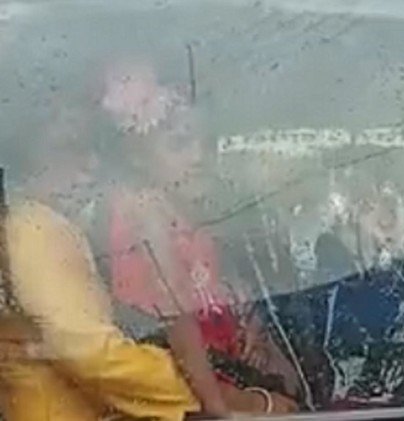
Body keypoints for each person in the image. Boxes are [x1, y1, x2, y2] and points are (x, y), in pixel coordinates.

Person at [99, 60, 299, 415]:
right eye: (180, 144)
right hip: (197, 387)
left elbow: (215, 288)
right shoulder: (146, 209)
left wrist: (252, 329)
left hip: (223, 371)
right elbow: (175, 314)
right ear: (137, 155)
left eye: (208, 144)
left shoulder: (191, 212)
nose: (199, 156)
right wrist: (222, 406)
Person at [0, 107, 203, 420]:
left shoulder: (36, 224)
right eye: (71, 148)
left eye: (93, 148)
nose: (92, 164)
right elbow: (89, 352)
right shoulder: (35, 228)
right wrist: (195, 387)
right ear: (29, 156)